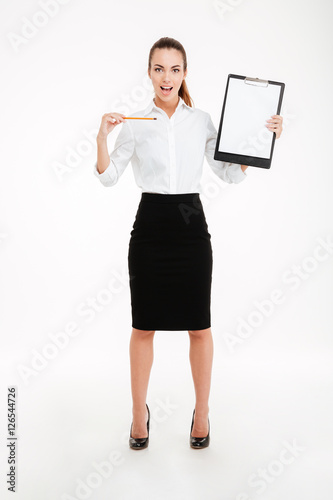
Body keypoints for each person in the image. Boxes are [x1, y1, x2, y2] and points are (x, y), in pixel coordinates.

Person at [94, 37, 283, 450]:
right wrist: (102, 138)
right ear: (149, 72)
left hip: (190, 226)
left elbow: (230, 173)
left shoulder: (200, 121)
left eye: (175, 69)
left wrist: (262, 140)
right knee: (143, 326)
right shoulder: (136, 122)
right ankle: (137, 414)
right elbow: (108, 178)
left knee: (200, 326)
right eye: (159, 69)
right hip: (150, 228)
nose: (167, 78)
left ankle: (201, 412)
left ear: (184, 73)